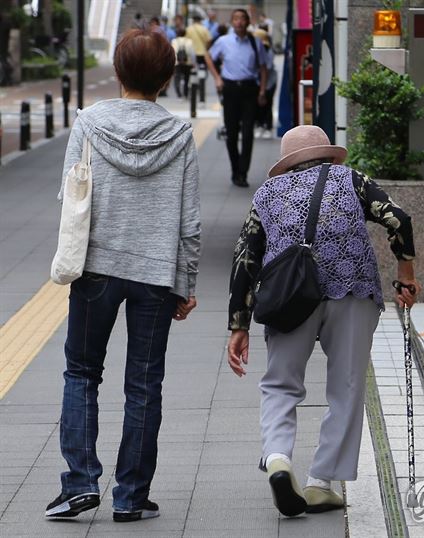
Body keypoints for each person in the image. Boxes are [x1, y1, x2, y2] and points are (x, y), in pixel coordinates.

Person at [46, 28, 201, 522]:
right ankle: (131, 497)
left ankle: (79, 484)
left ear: (117, 72)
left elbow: (70, 196)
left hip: (96, 269)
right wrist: (187, 283)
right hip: (156, 274)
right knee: (144, 384)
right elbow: (191, 222)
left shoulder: (89, 123)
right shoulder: (180, 134)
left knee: (82, 372)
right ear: (169, 78)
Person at [227, 125, 420, 516]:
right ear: (327, 154)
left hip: (288, 297)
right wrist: (406, 274)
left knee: (281, 384)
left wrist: (239, 324)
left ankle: (278, 458)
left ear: (288, 163)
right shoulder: (351, 180)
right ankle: (321, 483)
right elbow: (398, 218)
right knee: (347, 386)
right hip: (352, 291)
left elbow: (245, 258)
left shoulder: (267, 195)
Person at [205, 8, 267, 188]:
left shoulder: (256, 43)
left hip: (249, 89)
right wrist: (217, 78)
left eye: (242, 19)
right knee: (231, 134)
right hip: (230, 89)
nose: (239, 22)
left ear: (248, 22)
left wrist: (262, 91)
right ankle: (235, 170)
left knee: (248, 133)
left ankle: (243, 172)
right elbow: (209, 57)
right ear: (232, 22)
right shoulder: (223, 41)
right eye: (236, 19)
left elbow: (263, 68)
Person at [253, 28, 277, 139]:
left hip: (269, 82)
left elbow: (268, 67)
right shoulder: (254, 49)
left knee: (267, 104)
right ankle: (259, 125)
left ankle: (267, 126)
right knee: (257, 105)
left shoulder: (268, 50)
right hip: (257, 82)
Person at [186, 13, 213, 100]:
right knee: (203, 71)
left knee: (191, 72)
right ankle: (200, 86)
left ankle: (192, 87)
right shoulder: (204, 29)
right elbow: (209, 40)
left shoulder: (188, 29)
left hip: (192, 54)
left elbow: (186, 41)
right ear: (200, 20)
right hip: (202, 54)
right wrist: (206, 48)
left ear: (193, 20)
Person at [171, 28, 196, 98]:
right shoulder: (190, 41)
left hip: (177, 63)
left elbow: (172, 53)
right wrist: (193, 62)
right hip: (187, 63)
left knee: (177, 78)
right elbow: (192, 53)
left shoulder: (174, 41)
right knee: (187, 78)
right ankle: (185, 94)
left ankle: (179, 94)